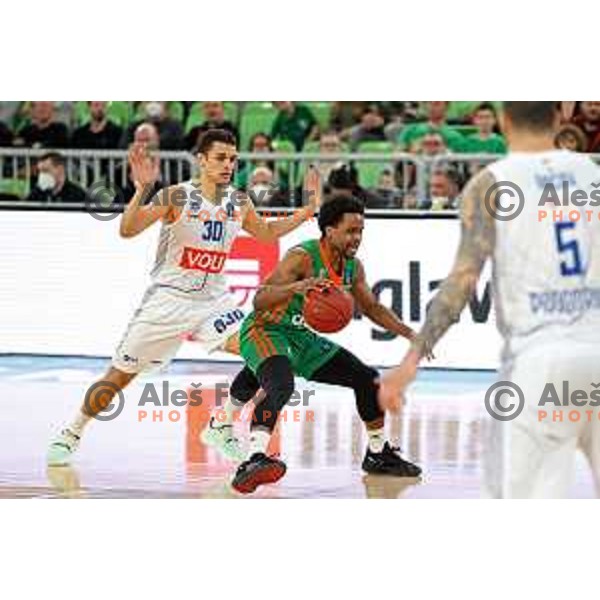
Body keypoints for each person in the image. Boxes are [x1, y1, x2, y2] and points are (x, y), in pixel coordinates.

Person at [47, 128, 322, 467]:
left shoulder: (238, 201)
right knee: (119, 376)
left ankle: (221, 424)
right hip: (168, 301)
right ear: (202, 160)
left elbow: (265, 233)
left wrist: (307, 212)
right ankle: (72, 431)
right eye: (220, 158)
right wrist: (143, 189)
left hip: (214, 301)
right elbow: (128, 229)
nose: (228, 164)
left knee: (263, 350)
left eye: (233, 159)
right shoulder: (176, 196)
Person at [379, 102, 600, 499]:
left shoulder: (492, 182)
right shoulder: (592, 172)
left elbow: (463, 281)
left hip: (540, 362)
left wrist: (411, 358)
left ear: (503, 122)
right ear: (558, 119)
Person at [203, 196, 424, 493]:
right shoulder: (302, 257)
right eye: (350, 231)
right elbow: (259, 300)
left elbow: (371, 307)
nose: (356, 238)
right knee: (280, 384)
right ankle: (254, 457)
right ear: (329, 231)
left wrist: (409, 333)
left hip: (300, 335)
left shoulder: (352, 268)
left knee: (367, 379)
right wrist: (297, 287)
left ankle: (378, 453)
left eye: (360, 231)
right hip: (265, 328)